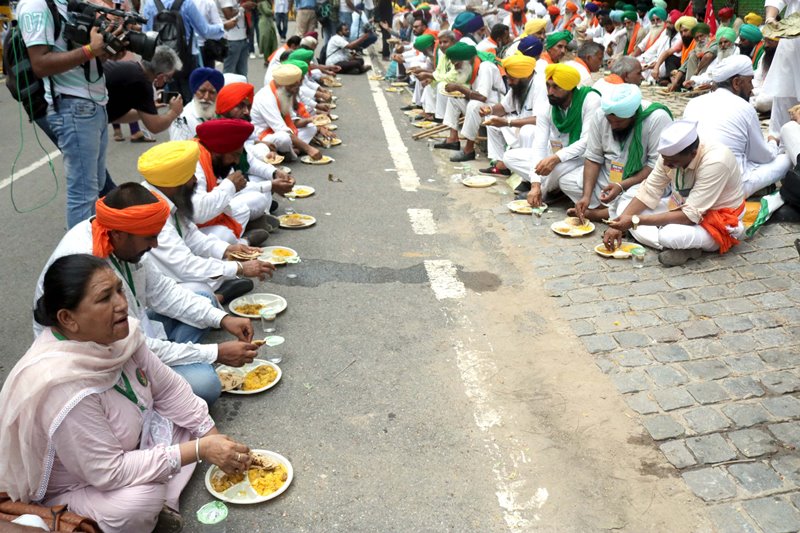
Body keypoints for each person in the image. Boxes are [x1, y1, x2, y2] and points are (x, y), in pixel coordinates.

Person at [3, 254, 252, 531]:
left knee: (192, 412)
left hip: (126, 441)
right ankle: (155, 505)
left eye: (119, 290)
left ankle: (161, 496)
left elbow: (168, 388)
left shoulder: (122, 335)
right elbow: (109, 472)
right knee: (140, 501)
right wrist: (200, 449)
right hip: (83, 483)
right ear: (68, 319)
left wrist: (211, 436)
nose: (122, 304)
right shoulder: (63, 385)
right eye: (104, 298)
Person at [34, 183, 259, 404]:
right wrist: (215, 353)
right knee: (206, 385)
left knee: (206, 300)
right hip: (102, 355)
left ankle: (176, 359)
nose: (155, 244)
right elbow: (130, 343)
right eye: (149, 237)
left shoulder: (120, 238)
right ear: (120, 235)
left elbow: (164, 293)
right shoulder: (87, 260)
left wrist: (223, 319)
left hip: (131, 331)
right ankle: (168, 372)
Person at [16, 0, 120, 228]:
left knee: (97, 186)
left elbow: (83, 54)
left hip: (94, 103)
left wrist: (109, 46)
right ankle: (83, 260)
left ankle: (94, 252)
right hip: (73, 107)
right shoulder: (35, 5)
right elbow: (40, 63)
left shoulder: (67, 3)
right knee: (84, 195)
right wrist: (90, 50)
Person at [604, 120, 746, 266]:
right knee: (624, 209)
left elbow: (690, 217)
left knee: (669, 235)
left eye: (672, 162)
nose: (666, 164)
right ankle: (683, 247)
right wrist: (617, 225)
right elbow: (649, 190)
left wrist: (635, 221)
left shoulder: (716, 161)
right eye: (664, 159)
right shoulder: (668, 155)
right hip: (680, 206)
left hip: (717, 220)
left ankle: (679, 245)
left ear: (693, 153)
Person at [683, 55, 792, 198]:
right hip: (731, 190)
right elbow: (764, 157)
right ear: (736, 83)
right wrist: (772, 141)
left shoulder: (693, 103)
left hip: (694, 183)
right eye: (749, 81)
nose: (752, 88)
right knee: (785, 159)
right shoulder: (745, 108)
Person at [573, 83, 672, 222]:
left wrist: (621, 186)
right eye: (610, 121)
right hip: (609, 176)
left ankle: (597, 214)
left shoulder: (656, 118)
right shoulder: (601, 114)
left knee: (633, 199)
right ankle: (607, 208)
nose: (613, 126)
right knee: (568, 181)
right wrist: (586, 196)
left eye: (619, 122)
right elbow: (593, 157)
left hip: (642, 180)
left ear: (632, 116)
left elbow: (657, 166)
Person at [505, 64, 601, 203]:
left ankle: (546, 192)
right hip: (556, 154)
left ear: (569, 88)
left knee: (555, 168)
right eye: (548, 86)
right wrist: (535, 183)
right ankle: (547, 188)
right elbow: (539, 146)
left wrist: (556, 158)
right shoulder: (548, 106)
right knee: (510, 157)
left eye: (556, 87)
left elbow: (587, 142)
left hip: (582, 158)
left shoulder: (590, 100)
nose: (550, 92)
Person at [142, 0, 235, 101]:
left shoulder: (150, 4)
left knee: (171, 101)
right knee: (190, 99)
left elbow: (147, 38)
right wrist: (223, 27)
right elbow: (205, 31)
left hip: (163, 64)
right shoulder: (186, 3)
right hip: (187, 60)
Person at [434, 42, 506, 161]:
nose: (456, 69)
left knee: (474, 105)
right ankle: (453, 139)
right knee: (454, 98)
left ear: (467, 60)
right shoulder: (471, 68)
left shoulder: (485, 67)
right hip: (484, 107)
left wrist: (459, 87)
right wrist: (459, 91)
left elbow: (482, 97)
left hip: (496, 108)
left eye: (457, 65)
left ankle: (469, 150)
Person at [480, 46, 545, 177]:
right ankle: (501, 166)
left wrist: (507, 122)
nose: (508, 82)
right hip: (518, 125)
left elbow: (539, 120)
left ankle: (529, 178)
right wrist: (489, 110)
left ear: (524, 76)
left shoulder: (540, 85)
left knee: (527, 131)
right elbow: (504, 107)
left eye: (511, 79)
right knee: (491, 123)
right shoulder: (519, 83)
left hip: (536, 130)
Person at [105, 47, 184, 140]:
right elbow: (155, 127)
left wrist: (144, 112)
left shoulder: (132, 69)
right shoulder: (142, 83)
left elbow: (116, 117)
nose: (168, 81)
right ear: (161, 76)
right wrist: (174, 112)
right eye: (169, 78)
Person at [252, 63, 322, 159]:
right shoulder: (266, 98)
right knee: (284, 138)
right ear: (281, 84)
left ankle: (291, 149)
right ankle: (291, 151)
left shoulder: (283, 93)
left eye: (296, 86)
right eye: (292, 86)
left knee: (311, 128)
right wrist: (309, 149)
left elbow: (292, 121)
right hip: (265, 136)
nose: (294, 90)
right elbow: (282, 129)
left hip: (281, 131)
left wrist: (310, 120)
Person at [169, 66, 225, 141]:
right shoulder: (182, 119)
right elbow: (178, 149)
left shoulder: (221, 113)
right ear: (194, 91)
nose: (206, 97)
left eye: (212, 92)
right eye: (202, 91)